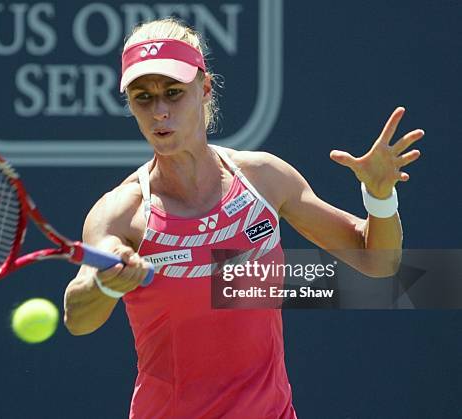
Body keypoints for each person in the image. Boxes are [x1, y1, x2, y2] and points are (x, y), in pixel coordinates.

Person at [63, 17, 424, 418]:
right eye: (142, 97)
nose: (159, 111)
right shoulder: (121, 214)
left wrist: (379, 197)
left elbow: (377, 260)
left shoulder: (263, 179)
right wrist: (107, 284)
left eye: (173, 92)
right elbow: (78, 317)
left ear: (204, 89)